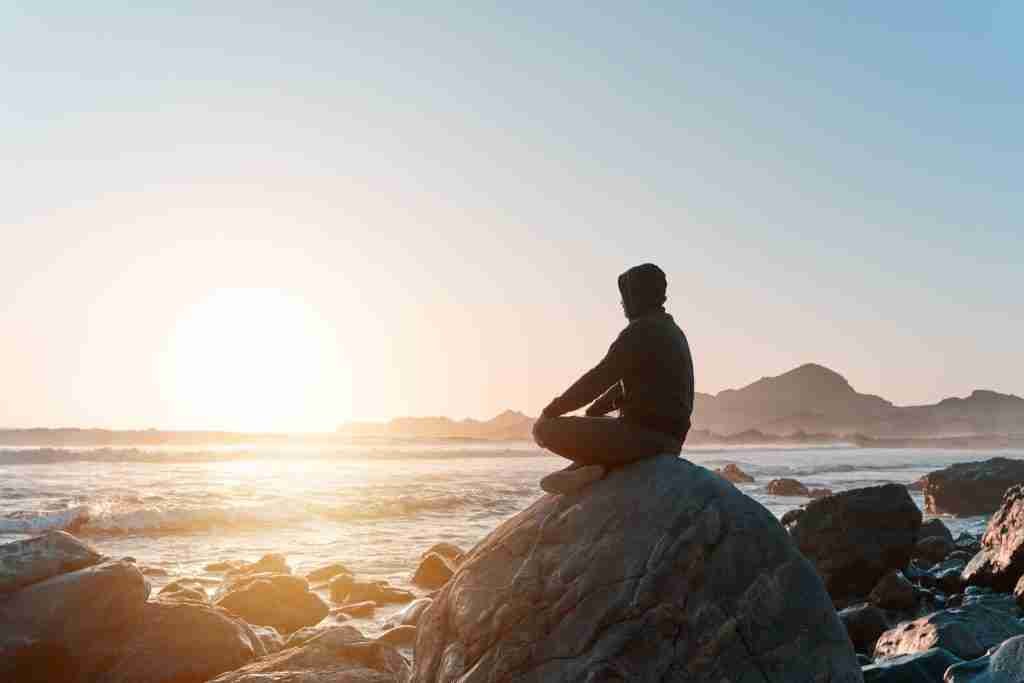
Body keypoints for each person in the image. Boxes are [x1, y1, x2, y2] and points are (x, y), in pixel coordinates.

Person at [532, 263, 694, 494]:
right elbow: (624, 385)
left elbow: (600, 377)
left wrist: (550, 412)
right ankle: (589, 467)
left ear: (638, 295)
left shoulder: (641, 331)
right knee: (592, 420)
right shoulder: (671, 330)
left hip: (644, 439)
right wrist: (595, 411)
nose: (622, 303)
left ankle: (595, 467)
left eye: (625, 295)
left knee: (545, 430)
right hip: (670, 440)